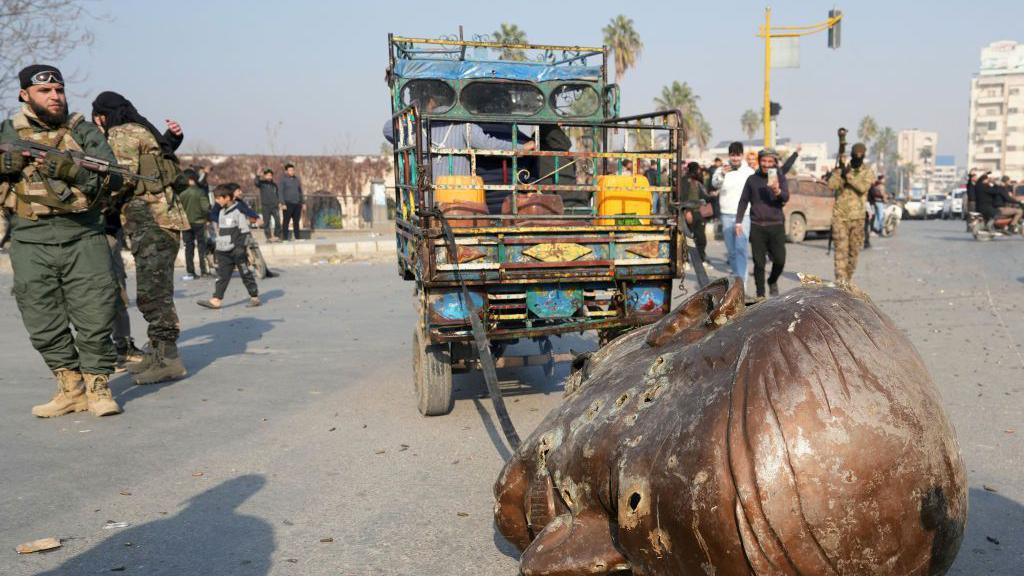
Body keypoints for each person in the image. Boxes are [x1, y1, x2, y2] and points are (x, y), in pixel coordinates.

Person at [0, 65, 122, 417]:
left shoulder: (82, 130)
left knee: (95, 311)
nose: (55, 97)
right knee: (40, 315)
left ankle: (98, 386)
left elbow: (114, 180)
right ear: (25, 95)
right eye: (45, 91)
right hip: (29, 236)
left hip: (83, 233)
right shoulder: (9, 131)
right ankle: (70, 387)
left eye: (59, 89)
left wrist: (69, 169)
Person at [91, 91, 190, 386]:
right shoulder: (141, 130)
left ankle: (169, 360)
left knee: (154, 294)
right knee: (153, 290)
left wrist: (94, 200)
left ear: (102, 115)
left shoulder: (121, 133)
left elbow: (122, 178)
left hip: (152, 221)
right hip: (158, 221)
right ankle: (156, 354)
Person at [736, 148, 789, 299]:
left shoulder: (779, 177)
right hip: (757, 226)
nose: (766, 164)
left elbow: (786, 197)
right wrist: (738, 222)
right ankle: (760, 295)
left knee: (780, 260)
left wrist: (777, 190)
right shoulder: (752, 180)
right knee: (759, 263)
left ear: (774, 163)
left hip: (776, 225)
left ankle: (772, 280)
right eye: (764, 161)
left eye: (770, 161)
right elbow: (743, 201)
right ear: (759, 162)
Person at [197, 184, 261, 309]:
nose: (216, 201)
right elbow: (221, 230)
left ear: (227, 198)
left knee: (245, 273)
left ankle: (254, 297)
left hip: (236, 250)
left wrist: (240, 248)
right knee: (222, 276)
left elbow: (245, 232)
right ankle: (216, 300)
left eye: (219, 198)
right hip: (223, 251)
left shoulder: (238, 211)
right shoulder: (221, 212)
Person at [827, 142, 875, 284]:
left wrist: (848, 176)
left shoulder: (867, 171)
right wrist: (839, 173)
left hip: (858, 217)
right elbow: (831, 185)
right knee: (840, 252)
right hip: (840, 217)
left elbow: (863, 187)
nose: (858, 157)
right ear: (852, 154)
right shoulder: (842, 169)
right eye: (855, 154)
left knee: (854, 252)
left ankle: (848, 277)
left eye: (860, 155)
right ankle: (841, 281)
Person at [711, 142, 755, 288]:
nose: (735, 158)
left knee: (741, 249)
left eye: (738, 155)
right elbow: (714, 185)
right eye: (732, 155)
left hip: (744, 216)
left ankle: (742, 284)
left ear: (742, 155)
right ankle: (737, 279)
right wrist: (723, 174)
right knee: (731, 252)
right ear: (729, 155)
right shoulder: (720, 170)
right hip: (726, 214)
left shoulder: (749, 171)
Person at [179, 169, 211, 280]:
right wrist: (207, 217)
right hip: (199, 223)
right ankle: (204, 270)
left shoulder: (182, 194)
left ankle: (191, 272)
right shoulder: (200, 192)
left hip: (186, 224)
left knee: (189, 247)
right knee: (202, 246)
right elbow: (206, 208)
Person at [680, 161, 709, 261]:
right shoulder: (684, 180)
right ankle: (685, 259)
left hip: (699, 212)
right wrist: (686, 211)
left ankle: (701, 258)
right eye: (698, 169)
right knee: (688, 237)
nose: (699, 171)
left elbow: (704, 195)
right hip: (689, 212)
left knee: (701, 237)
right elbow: (683, 197)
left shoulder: (699, 180)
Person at [278, 163, 303, 241]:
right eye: (290, 170)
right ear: (286, 171)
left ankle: (297, 237)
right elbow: (280, 192)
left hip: (297, 203)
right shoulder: (283, 180)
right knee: (286, 221)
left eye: (293, 170)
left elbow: (300, 191)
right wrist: (282, 203)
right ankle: (285, 238)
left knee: (296, 221)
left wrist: (303, 202)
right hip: (287, 203)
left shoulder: (297, 179)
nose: (292, 171)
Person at [255, 168, 281, 240]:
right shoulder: (262, 183)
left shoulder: (274, 185)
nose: (269, 177)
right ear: (265, 176)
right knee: (266, 223)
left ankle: (277, 236)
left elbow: (277, 194)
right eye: (268, 175)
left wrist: (279, 202)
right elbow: (256, 182)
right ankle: (269, 237)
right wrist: (257, 175)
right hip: (266, 206)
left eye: (270, 175)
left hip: (274, 206)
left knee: (278, 222)